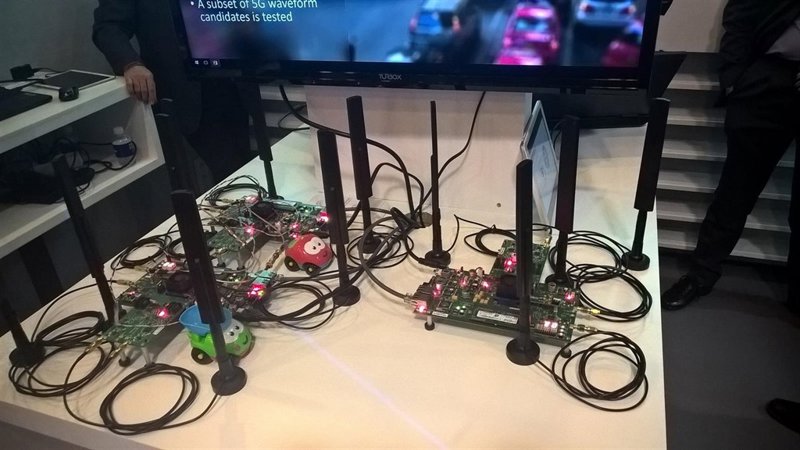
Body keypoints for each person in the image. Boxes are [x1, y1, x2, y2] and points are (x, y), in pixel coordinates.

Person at [661, 0, 800, 435]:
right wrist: (736, 78)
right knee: (735, 192)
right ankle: (701, 275)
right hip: (769, 84)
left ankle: (796, 294)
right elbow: (741, 12)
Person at [92, 0, 254, 184]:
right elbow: (108, 27)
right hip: (188, 92)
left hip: (236, 80)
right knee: (229, 171)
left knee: (246, 163)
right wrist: (130, 64)